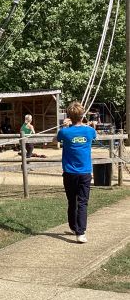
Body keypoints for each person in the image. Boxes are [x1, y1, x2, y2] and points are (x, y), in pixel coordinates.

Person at [55, 101, 97, 244]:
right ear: (82, 115)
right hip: (84, 172)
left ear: (69, 116)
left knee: (72, 201)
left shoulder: (64, 132)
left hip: (70, 173)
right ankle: (80, 232)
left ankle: (74, 227)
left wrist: (64, 126)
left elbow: (55, 139)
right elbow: (94, 136)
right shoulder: (89, 131)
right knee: (82, 202)